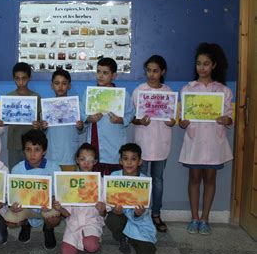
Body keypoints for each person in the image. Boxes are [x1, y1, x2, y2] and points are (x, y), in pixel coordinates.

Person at [178, 43, 233, 235]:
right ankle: (194, 217)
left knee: (210, 178)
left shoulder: (223, 91)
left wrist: (227, 119)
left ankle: (205, 218)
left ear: (214, 66)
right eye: (199, 63)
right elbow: (183, 117)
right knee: (194, 178)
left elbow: (229, 115)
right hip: (194, 140)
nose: (202, 67)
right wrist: (183, 123)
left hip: (214, 142)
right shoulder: (187, 89)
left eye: (206, 63)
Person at [132, 55, 175, 232]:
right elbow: (132, 118)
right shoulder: (138, 91)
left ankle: (156, 214)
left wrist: (171, 122)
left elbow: (173, 119)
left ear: (162, 72)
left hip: (161, 143)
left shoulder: (168, 91)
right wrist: (140, 121)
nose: (151, 74)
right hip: (143, 143)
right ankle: (139, 213)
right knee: (141, 180)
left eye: (155, 71)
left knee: (157, 180)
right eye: (148, 70)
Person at [7, 129, 61, 249]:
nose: (32, 154)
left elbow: (58, 195)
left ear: (44, 151)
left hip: (46, 208)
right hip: (26, 208)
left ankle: (48, 229)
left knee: (54, 218)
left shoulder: (54, 168)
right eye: (28, 150)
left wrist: (52, 201)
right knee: (10, 220)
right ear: (23, 151)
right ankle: (26, 225)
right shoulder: (16, 169)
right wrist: (13, 206)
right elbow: (12, 196)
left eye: (37, 150)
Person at [82, 57, 135, 176]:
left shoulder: (122, 95)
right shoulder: (89, 94)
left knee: (112, 184)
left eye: (105, 73)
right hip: (95, 144)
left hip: (114, 146)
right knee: (94, 182)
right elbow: (82, 114)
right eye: (98, 71)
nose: (100, 76)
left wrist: (120, 120)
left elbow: (131, 113)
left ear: (114, 75)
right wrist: (90, 118)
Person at [54, 143, 106, 254]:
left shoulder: (101, 182)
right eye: (82, 159)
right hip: (73, 223)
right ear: (77, 160)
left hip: (92, 221)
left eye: (90, 160)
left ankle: (92, 238)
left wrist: (102, 209)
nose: (86, 163)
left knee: (91, 246)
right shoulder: (69, 181)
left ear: (95, 161)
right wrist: (60, 208)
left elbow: (103, 213)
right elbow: (67, 213)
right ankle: (81, 238)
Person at [106, 143, 157, 254]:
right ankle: (122, 238)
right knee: (112, 218)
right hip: (121, 217)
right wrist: (114, 209)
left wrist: (138, 213)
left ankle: (134, 239)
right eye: (125, 158)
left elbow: (146, 207)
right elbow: (109, 202)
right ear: (120, 161)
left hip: (140, 224)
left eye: (133, 159)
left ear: (140, 162)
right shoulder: (114, 176)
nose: (129, 162)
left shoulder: (145, 181)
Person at [0, 62, 41, 170]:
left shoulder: (36, 97)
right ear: (14, 78)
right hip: (14, 143)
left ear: (29, 78)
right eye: (17, 79)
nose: (21, 82)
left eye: (24, 78)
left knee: (31, 173)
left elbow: (40, 122)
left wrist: (38, 125)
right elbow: (4, 119)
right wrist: (0, 123)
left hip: (32, 145)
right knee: (14, 173)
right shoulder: (9, 97)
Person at [39, 68, 84, 171]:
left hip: (70, 154)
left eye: (64, 83)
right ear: (52, 85)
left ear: (69, 86)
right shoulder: (46, 107)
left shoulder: (77, 105)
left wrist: (80, 126)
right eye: (57, 83)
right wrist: (43, 127)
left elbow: (81, 129)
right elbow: (43, 131)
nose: (60, 87)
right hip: (51, 154)